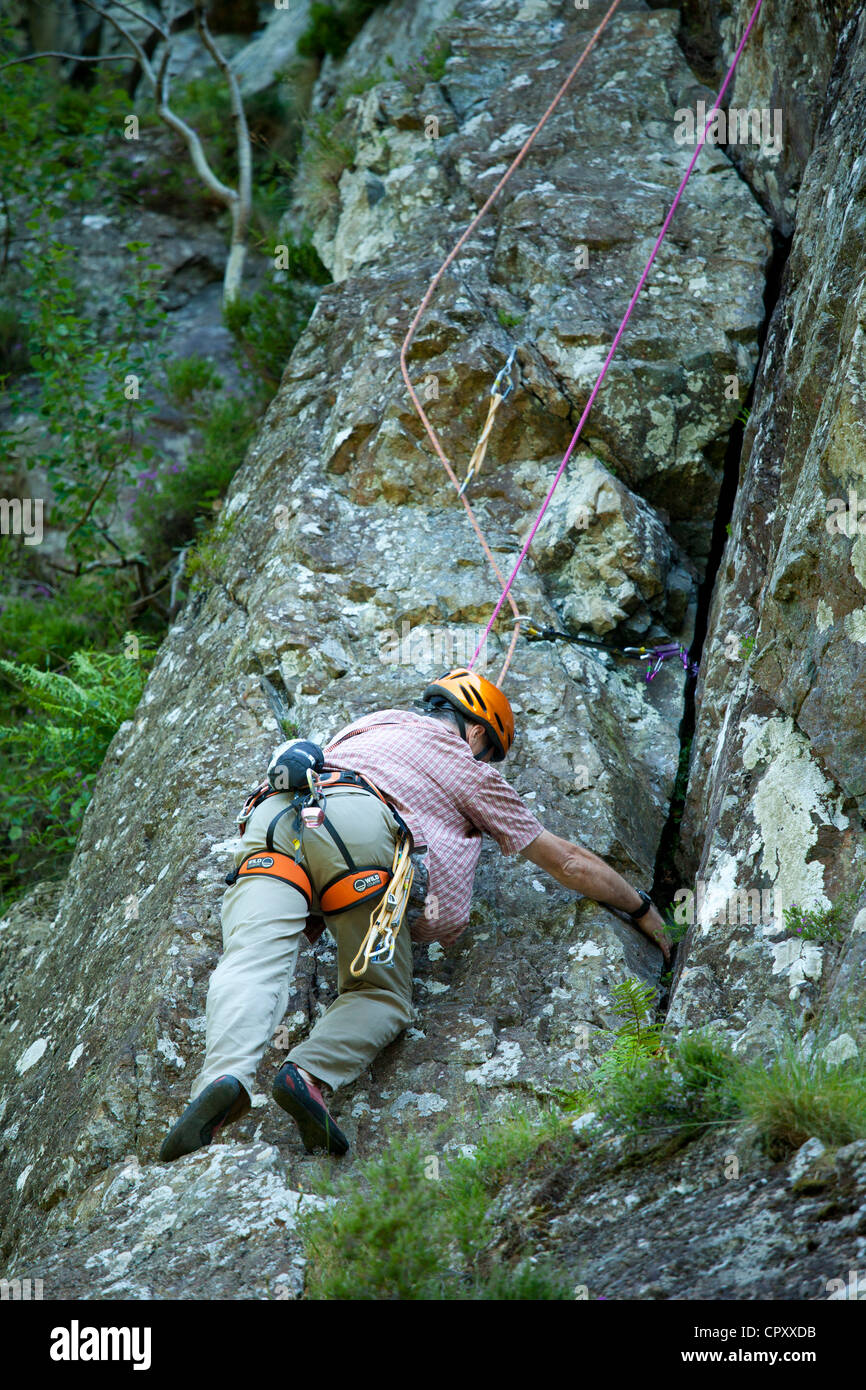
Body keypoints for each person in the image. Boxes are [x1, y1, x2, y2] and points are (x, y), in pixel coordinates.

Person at [159, 668, 671, 1162]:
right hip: (358, 831)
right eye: (489, 751)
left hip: (280, 810)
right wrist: (641, 907)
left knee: (249, 961)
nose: (487, 761)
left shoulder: (368, 724)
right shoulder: (468, 767)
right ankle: (309, 1073)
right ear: (475, 731)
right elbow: (568, 861)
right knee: (379, 994)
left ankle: (222, 1080)